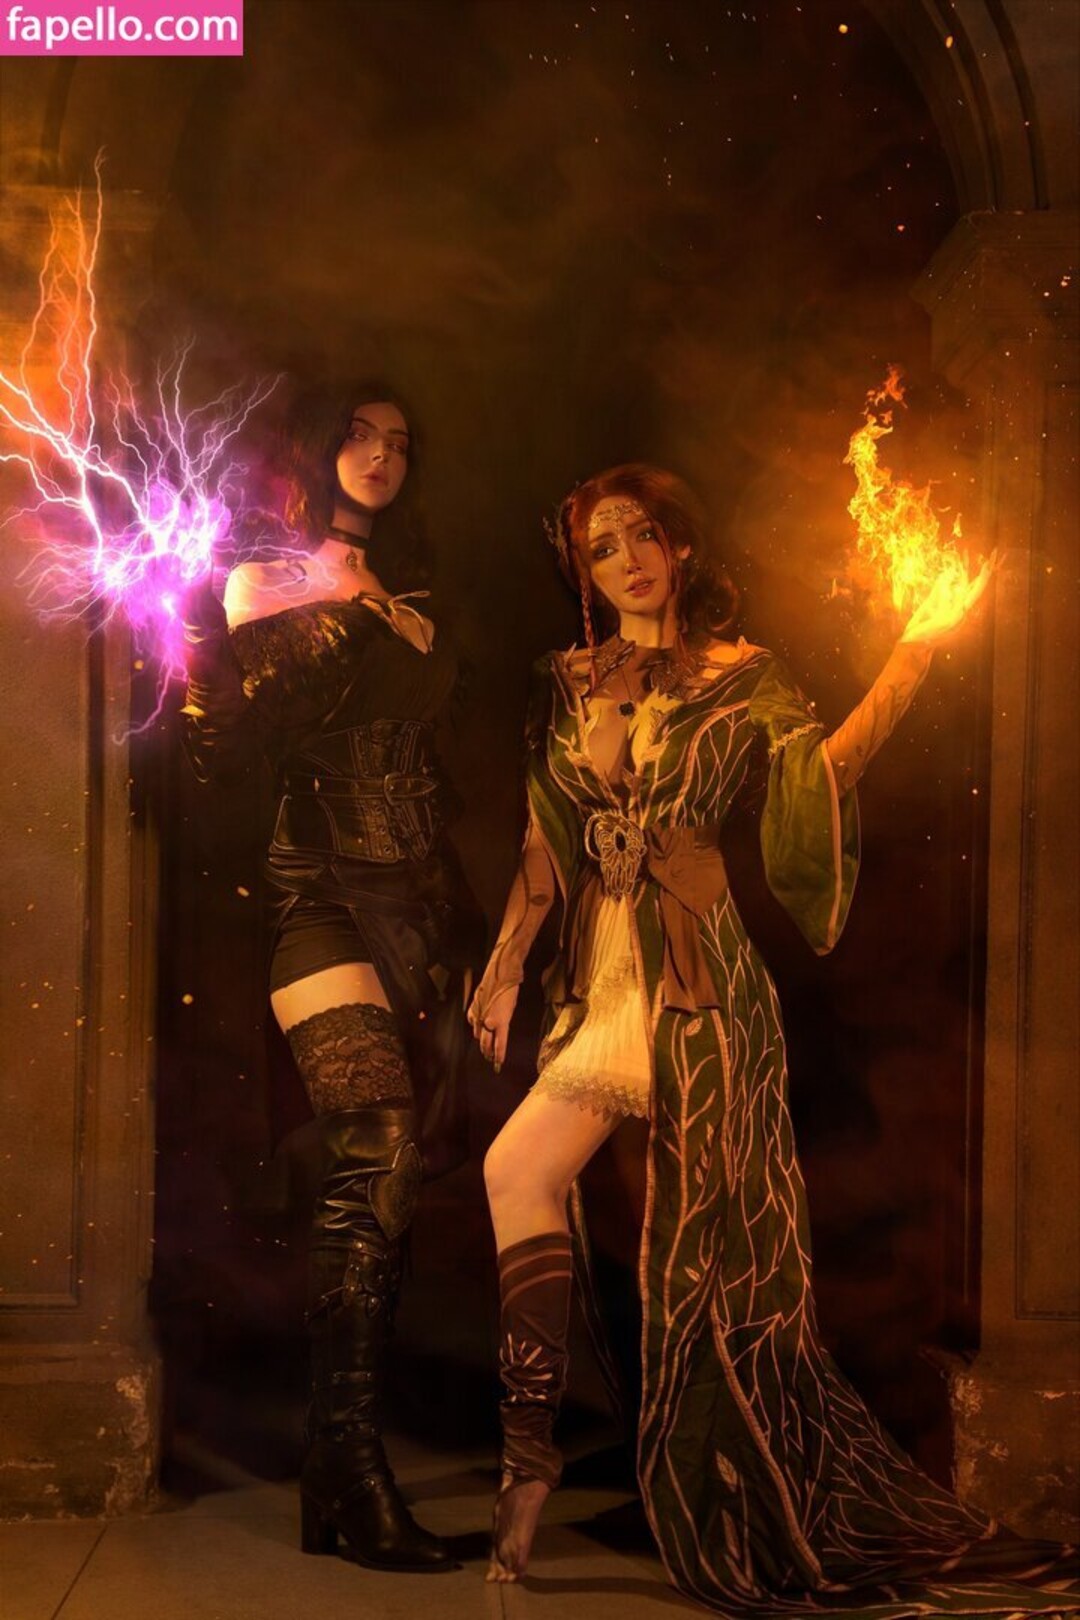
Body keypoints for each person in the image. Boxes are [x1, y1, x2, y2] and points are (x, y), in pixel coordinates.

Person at [469, 464, 1078, 1613]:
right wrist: (506, 966)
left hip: (704, 991)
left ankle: (730, 1480)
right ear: (584, 573)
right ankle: (527, 1457)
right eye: (603, 547)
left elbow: (816, 787)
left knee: (704, 1262)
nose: (629, 559)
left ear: (682, 547)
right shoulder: (569, 681)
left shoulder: (746, 676)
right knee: (517, 1172)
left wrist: (910, 659)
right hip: (604, 983)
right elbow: (543, 844)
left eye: (644, 535)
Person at [181, 381, 482, 1575]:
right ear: (320, 443)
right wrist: (349, 609)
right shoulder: (264, 576)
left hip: (421, 906)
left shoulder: (419, 584)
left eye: (401, 441)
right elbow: (236, 736)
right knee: (377, 1143)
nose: (382, 454)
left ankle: (332, 1478)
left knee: (404, 1180)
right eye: (361, 432)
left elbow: (436, 739)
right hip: (316, 895)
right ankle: (350, 1475)